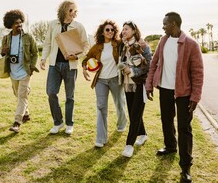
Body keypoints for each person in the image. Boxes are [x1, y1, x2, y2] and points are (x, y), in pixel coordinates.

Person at [146, 12, 204, 183]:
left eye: (165, 24)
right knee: (166, 120)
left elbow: (198, 73)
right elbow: (154, 63)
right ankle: (171, 146)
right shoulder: (163, 41)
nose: (163, 26)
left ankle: (185, 168)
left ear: (174, 24)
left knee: (184, 128)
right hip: (164, 89)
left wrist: (195, 96)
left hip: (183, 93)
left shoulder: (191, 44)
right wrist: (149, 84)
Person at [40, 0, 89, 135]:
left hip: (70, 66)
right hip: (54, 65)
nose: (74, 13)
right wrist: (44, 58)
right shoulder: (52, 25)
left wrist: (77, 57)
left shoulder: (79, 26)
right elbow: (47, 44)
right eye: (71, 10)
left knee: (70, 96)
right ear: (63, 10)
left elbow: (86, 45)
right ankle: (58, 122)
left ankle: (69, 124)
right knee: (51, 92)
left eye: (75, 11)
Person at [82, 20, 128, 148]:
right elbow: (86, 59)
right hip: (100, 81)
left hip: (115, 79)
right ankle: (101, 138)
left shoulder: (118, 44)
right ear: (102, 32)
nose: (110, 32)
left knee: (120, 104)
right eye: (107, 30)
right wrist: (84, 68)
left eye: (112, 30)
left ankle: (121, 124)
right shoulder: (97, 47)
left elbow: (129, 48)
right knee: (101, 107)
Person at [0, 9, 39, 133]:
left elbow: (35, 53)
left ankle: (17, 122)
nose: (19, 25)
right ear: (10, 24)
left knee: (22, 96)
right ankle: (26, 114)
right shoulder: (6, 39)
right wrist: (3, 52)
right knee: (18, 95)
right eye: (16, 23)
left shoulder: (28, 37)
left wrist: (32, 67)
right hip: (12, 72)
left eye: (20, 22)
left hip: (25, 71)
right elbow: (1, 55)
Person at [119, 21, 152, 157]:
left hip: (140, 84)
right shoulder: (123, 45)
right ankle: (143, 134)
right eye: (123, 29)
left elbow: (148, 65)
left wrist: (131, 70)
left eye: (126, 29)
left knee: (135, 114)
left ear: (134, 30)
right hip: (127, 84)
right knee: (134, 113)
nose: (123, 31)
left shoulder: (142, 45)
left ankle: (129, 146)